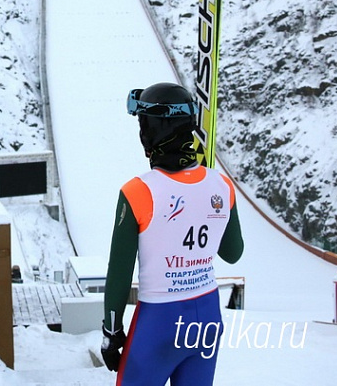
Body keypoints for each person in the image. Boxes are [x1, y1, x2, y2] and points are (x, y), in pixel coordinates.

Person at [101, 82, 244, 385]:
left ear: (153, 130)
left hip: (159, 324)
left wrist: (112, 333)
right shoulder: (222, 185)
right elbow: (233, 253)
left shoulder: (137, 191)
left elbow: (119, 274)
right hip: (207, 315)